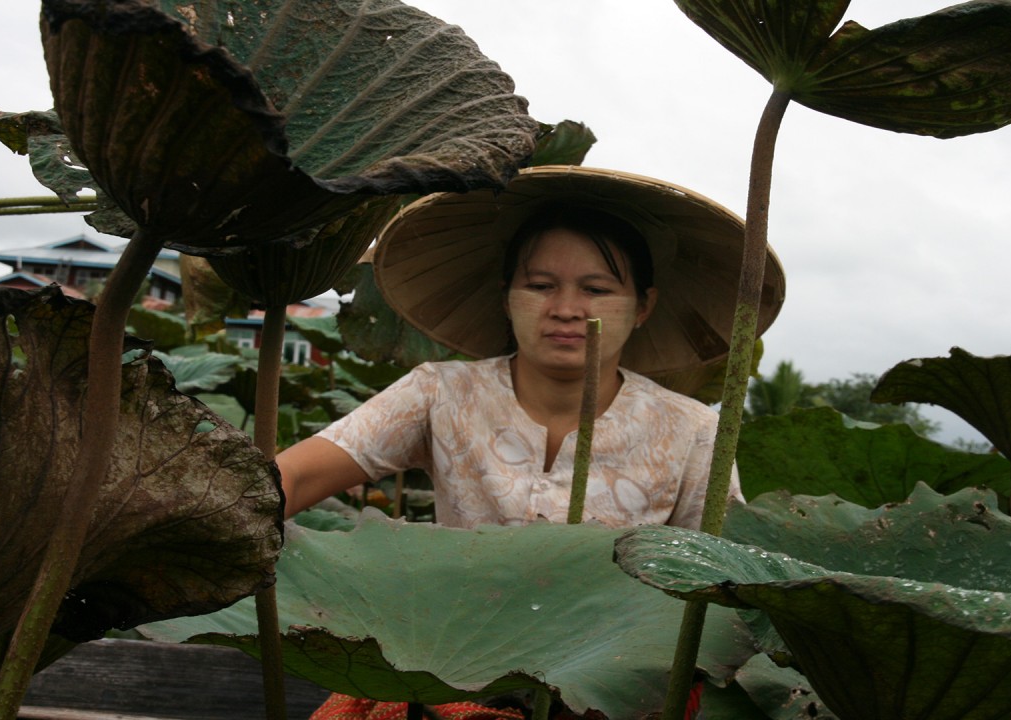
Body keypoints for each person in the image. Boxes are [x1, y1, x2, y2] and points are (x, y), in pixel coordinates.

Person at [277, 165, 785, 531]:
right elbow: (294, 479)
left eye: (597, 290)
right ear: (506, 298)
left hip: (615, 674)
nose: (566, 309)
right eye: (541, 286)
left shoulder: (693, 431)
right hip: (451, 661)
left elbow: (714, 579)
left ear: (643, 306)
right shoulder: (440, 392)